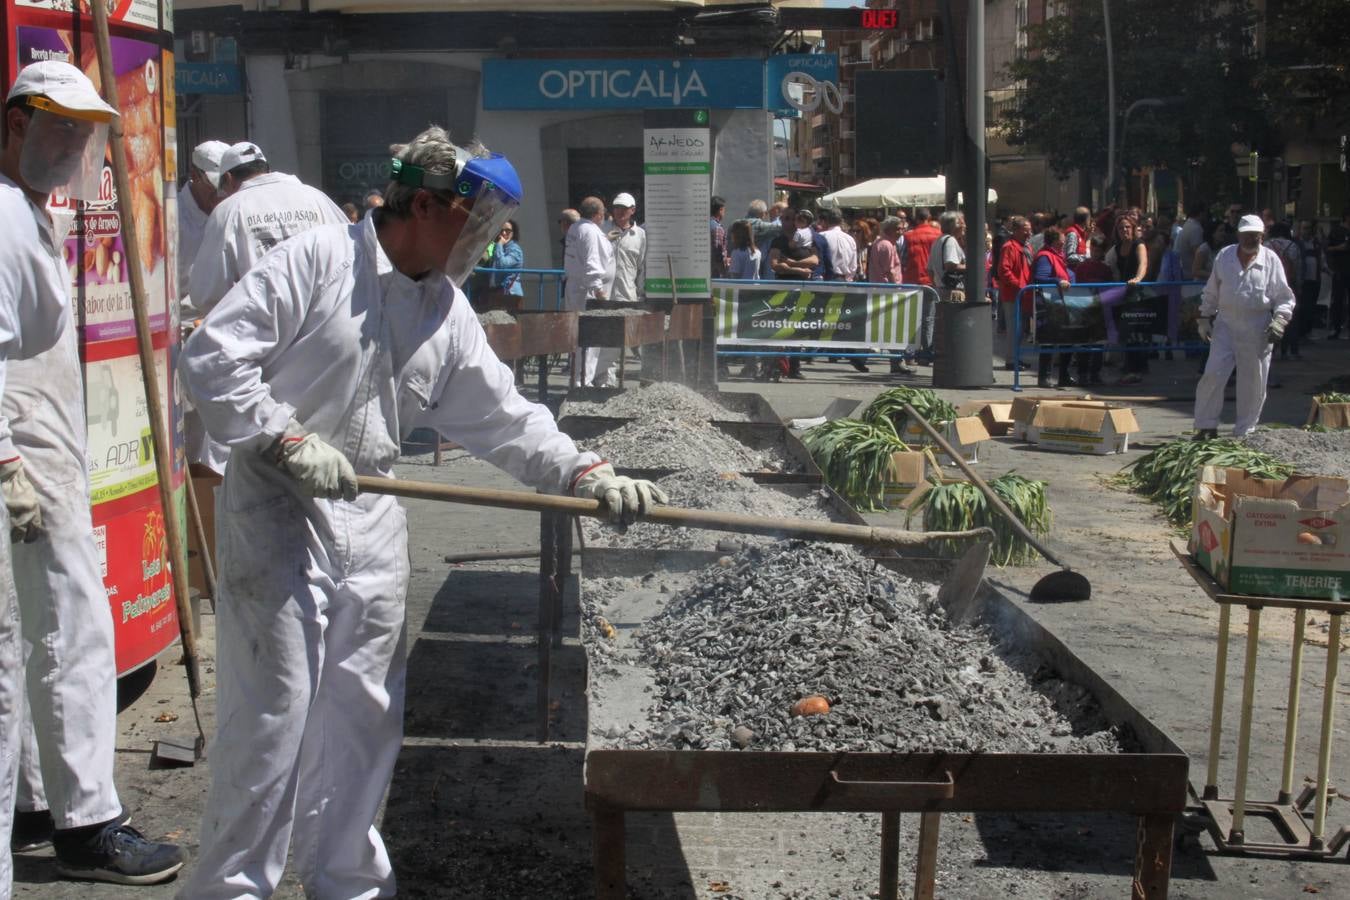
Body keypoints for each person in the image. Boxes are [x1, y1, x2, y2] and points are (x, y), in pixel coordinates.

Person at [178, 127, 666, 898]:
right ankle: (235, 889)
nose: (488, 240)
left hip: (372, 513)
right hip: (281, 511)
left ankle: (346, 882)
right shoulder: (318, 261)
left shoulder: (443, 308)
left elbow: (504, 418)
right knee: (273, 722)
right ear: (427, 204)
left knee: (364, 721)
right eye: (477, 222)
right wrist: (282, 438)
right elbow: (211, 357)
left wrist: (584, 468)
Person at [1, 59, 184, 886]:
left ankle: (40, 804)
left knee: (39, 639)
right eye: (56, 130)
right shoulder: (5, 217)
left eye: (80, 135)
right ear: (15, 126)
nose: (70, 147)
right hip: (23, 459)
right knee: (68, 635)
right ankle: (88, 822)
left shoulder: (29, 211)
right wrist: (7, 462)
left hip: (42, 451)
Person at [188, 141, 349, 319]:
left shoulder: (229, 210)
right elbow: (352, 246)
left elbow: (205, 293)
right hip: (323, 320)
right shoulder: (315, 196)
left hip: (265, 330)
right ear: (267, 169)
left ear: (228, 178)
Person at [1193, 214, 1295, 439]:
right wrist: (1204, 316)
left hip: (1257, 327)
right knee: (1213, 374)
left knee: (1253, 380)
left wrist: (1280, 320)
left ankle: (1245, 431)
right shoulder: (1225, 256)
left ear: (1262, 236)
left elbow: (1284, 297)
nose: (1251, 240)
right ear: (1239, 235)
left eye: (1256, 236)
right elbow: (1212, 289)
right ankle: (1206, 426)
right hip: (1226, 325)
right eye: (1247, 235)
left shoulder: (1270, 260)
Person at [563, 195, 615, 386]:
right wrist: (599, 290)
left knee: (580, 336)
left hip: (577, 287)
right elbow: (591, 262)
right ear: (597, 214)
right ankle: (583, 381)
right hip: (587, 291)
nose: (604, 215)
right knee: (590, 338)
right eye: (603, 212)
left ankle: (580, 378)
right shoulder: (589, 231)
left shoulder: (578, 228)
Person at [594, 192, 645, 386]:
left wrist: (640, 292)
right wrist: (605, 240)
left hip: (627, 295)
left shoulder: (639, 235)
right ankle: (605, 382)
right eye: (616, 208)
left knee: (627, 340)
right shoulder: (601, 230)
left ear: (632, 210)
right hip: (604, 294)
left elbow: (640, 265)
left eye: (624, 209)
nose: (620, 212)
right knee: (604, 341)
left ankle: (614, 381)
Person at [176, 139, 229, 301]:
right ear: (194, 175)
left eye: (227, 186)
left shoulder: (232, 211)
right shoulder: (173, 218)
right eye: (215, 186)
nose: (222, 194)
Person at [1031, 226, 1079, 388]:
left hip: (1061, 302)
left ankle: (1064, 375)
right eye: (1062, 240)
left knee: (1068, 339)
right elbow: (1040, 277)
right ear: (1054, 241)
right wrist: (1058, 282)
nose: (1065, 242)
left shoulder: (1058, 256)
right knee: (1049, 340)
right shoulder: (1045, 257)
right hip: (1049, 303)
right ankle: (1044, 377)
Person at [1108, 215, 1149, 385]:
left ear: (1133, 229)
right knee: (1125, 331)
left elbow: (1143, 264)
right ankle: (1130, 367)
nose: (1124, 230)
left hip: (1136, 291)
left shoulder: (1138, 245)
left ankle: (1136, 369)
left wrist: (1138, 278)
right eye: (1121, 228)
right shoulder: (1117, 248)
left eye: (1127, 227)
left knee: (1134, 330)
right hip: (1122, 291)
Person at [996, 215, 1032, 371]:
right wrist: (1019, 285)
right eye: (1025, 231)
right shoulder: (1009, 247)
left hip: (1023, 293)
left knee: (1020, 328)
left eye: (1029, 231)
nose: (1029, 233)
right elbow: (1004, 270)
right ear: (1015, 230)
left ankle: (1016, 358)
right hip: (1013, 294)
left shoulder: (1025, 247)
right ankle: (1011, 360)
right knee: (1013, 328)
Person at [1264, 222, 1301, 360]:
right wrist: (1299, 286)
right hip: (1289, 284)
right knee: (1290, 318)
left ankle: (1271, 348)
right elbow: (1297, 268)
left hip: (1269, 285)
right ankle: (1290, 350)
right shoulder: (1292, 246)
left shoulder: (1266, 245)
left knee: (1270, 316)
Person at [1294, 219, 1324, 344]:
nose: (1306, 231)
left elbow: (1321, 257)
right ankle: (1301, 332)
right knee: (1303, 306)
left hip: (1314, 278)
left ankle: (1307, 331)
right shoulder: (1296, 243)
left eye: (1308, 228)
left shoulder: (1316, 242)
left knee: (1311, 306)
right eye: (1304, 228)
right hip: (1302, 279)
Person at [1325, 210, 1350, 339]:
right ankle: (1336, 328)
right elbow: (1327, 247)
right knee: (1338, 300)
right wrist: (1339, 248)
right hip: (1340, 269)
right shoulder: (1337, 231)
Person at [815, 207, 858, 281]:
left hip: (825, 278)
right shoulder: (850, 239)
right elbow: (853, 266)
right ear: (841, 221)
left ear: (827, 220)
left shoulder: (821, 236)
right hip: (844, 279)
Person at [490, 218, 524, 297]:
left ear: (513, 233)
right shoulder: (500, 247)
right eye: (501, 230)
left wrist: (499, 244)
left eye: (507, 230)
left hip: (510, 292)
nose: (504, 233)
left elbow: (503, 265)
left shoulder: (515, 249)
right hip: (498, 290)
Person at [710, 195, 730, 278]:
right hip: (714, 273)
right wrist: (723, 271)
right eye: (724, 210)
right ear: (720, 210)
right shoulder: (717, 228)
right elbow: (717, 252)